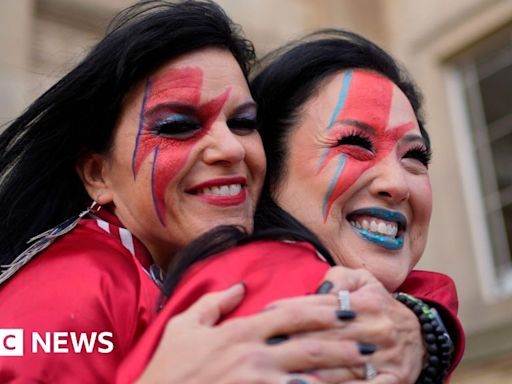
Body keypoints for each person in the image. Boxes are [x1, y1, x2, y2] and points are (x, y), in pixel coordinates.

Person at [0, 2, 368, 383]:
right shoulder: (71, 285)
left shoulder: (160, 271)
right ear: (98, 174)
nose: (230, 148)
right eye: (177, 126)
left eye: (243, 123)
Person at [117, 30, 464, 384]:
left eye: (415, 157)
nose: (396, 183)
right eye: (354, 144)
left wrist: (429, 329)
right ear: (270, 170)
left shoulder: (369, 309)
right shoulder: (283, 291)